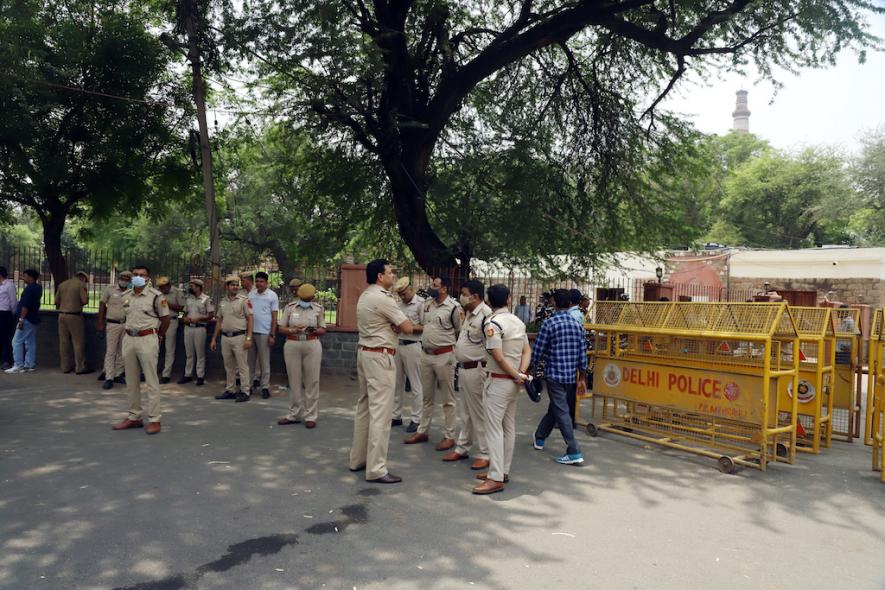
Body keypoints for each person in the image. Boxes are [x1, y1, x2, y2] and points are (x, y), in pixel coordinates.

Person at [349, 259, 413, 484]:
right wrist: (394, 326)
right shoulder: (382, 298)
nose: (393, 276)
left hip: (366, 352)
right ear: (380, 276)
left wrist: (392, 325)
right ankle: (376, 469)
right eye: (390, 272)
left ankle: (358, 459)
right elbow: (408, 327)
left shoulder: (366, 295)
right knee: (381, 413)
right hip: (380, 356)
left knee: (365, 407)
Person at [473, 284, 531, 495]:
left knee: (494, 429)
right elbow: (527, 351)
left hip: (499, 381)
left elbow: (498, 355)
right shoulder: (518, 322)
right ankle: (502, 471)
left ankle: (495, 477)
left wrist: (515, 374)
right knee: (508, 427)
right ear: (509, 298)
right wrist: (520, 373)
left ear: (488, 300)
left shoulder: (493, 323)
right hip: (513, 383)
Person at [530, 289, 587, 466]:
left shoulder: (549, 323)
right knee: (557, 407)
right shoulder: (577, 324)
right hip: (570, 375)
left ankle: (573, 450)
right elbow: (582, 353)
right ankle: (540, 436)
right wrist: (582, 377)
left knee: (561, 411)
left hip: (554, 374)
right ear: (570, 304)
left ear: (554, 303)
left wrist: (530, 371)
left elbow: (537, 350)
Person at [404, 276, 462, 450]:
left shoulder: (454, 308)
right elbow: (423, 325)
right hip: (426, 355)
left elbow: (459, 331)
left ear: (444, 289)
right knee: (427, 397)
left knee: (448, 399)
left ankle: (450, 435)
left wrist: (453, 355)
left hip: (445, 356)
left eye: (435, 286)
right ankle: (423, 430)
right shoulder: (428, 305)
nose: (431, 288)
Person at [111, 265, 170, 435]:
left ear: (148, 278)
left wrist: (158, 336)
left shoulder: (156, 297)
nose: (138, 277)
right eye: (135, 275)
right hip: (129, 338)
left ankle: (154, 419)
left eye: (142, 275)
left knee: (151, 381)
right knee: (131, 380)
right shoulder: (126, 296)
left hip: (147, 338)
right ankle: (134, 416)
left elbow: (166, 320)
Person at [444, 279, 491, 470]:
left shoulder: (486, 316)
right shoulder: (470, 314)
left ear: (475, 296)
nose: (461, 297)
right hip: (463, 369)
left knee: (478, 413)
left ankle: (485, 453)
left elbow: (492, 346)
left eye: (464, 293)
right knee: (465, 413)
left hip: (477, 369)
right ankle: (463, 446)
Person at [277, 283, 326, 428]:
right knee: (294, 380)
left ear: (312, 297)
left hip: (311, 344)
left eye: (309, 298)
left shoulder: (318, 309)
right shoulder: (290, 307)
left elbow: (323, 328)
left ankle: (311, 415)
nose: (307, 300)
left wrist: (314, 330)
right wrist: (292, 329)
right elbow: (281, 328)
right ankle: (294, 414)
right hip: (293, 344)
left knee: (312, 381)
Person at [211, 276, 254, 402]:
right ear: (227, 286)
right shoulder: (223, 302)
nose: (235, 287)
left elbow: (250, 319)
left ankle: (245, 391)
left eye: (237, 284)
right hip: (225, 337)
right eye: (232, 285)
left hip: (239, 337)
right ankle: (230, 389)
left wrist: (249, 338)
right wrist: (214, 338)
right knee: (228, 365)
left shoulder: (244, 301)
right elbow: (219, 320)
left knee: (242, 365)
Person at [392, 277, 424, 432]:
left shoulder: (421, 304)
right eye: (400, 295)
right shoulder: (398, 306)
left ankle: (416, 419)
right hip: (398, 345)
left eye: (404, 293)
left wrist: (408, 328)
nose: (402, 297)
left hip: (413, 345)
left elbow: (425, 327)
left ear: (411, 289)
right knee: (396, 383)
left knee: (415, 384)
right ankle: (396, 416)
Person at [96, 270, 132, 390]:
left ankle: (118, 374)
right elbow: (102, 305)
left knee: (122, 351)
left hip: (126, 324)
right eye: (122, 278)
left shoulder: (131, 292)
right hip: (112, 324)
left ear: (130, 281)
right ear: (118, 278)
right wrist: (100, 322)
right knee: (111, 351)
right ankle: (109, 377)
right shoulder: (110, 289)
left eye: (127, 279)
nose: (124, 280)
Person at [248, 271, 279, 398]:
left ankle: (265, 386)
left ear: (267, 283)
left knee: (264, 361)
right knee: (249, 362)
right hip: (251, 331)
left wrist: (272, 334)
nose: (259, 284)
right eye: (257, 281)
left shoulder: (272, 296)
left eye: (261, 281)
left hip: (264, 333)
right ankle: (248, 386)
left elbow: (274, 317)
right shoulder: (251, 294)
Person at [179, 278, 214, 386]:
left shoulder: (206, 299)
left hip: (200, 328)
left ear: (198, 287)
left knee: (200, 353)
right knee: (189, 353)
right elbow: (181, 312)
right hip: (188, 327)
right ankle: (187, 375)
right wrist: (182, 318)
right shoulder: (188, 299)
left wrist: (199, 318)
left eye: (192, 286)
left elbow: (211, 315)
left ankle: (200, 376)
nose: (190, 288)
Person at [5, 269, 41, 374]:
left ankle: (18, 365)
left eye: (24, 276)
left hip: (26, 318)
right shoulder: (38, 287)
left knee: (16, 341)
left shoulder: (29, 289)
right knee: (30, 342)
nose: (23, 278)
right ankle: (29, 365)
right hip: (34, 318)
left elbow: (25, 306)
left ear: (30, 277)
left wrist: (21, 319)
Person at [55, 270, 90, 374]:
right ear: (83, 278)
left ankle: (65, 367)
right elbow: (84, 301)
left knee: (63, 342)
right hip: (74, 316)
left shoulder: (62, 284)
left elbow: (56, 301)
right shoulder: (81, 284)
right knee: (78, 342)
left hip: (61, 315)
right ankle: (80, 367)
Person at [156, 277, 185, 384]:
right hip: (158, 321)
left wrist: (180, 319)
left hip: (172, 321)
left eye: (164, 287)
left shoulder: (177, 292)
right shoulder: (157, 293)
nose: (162, 290)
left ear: (169, 285)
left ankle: (166, 374)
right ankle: (150, 371)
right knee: (154, 346)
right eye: (160, 288)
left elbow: (182, 308)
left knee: (169, 348)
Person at [0, 266, 18, 370]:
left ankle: (7, 360)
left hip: (5, 314)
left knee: (5, 337)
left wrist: (12, 314)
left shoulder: (9, 285)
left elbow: (13, 302)